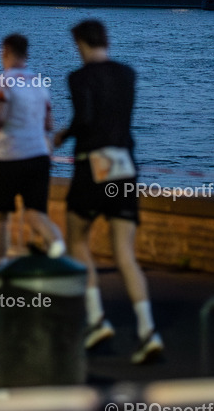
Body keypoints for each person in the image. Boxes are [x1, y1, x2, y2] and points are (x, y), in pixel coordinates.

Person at [54, 19, 164, 366]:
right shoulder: (127, 74)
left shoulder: (79, 77)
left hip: (93, 165)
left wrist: (61, 135)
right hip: (125, 165)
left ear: (82, 44)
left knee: (77, 240)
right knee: (124, 252)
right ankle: (148, 331)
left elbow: (85, 119)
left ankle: (96, 317)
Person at [0, 33, 65, 264]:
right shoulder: (40, 83)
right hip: (40, 156)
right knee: (35, 212)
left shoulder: (1, 82)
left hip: (10, 156)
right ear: (26, 54)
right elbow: (49, 124)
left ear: (5, 52)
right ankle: (57, 242)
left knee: (2, 216)